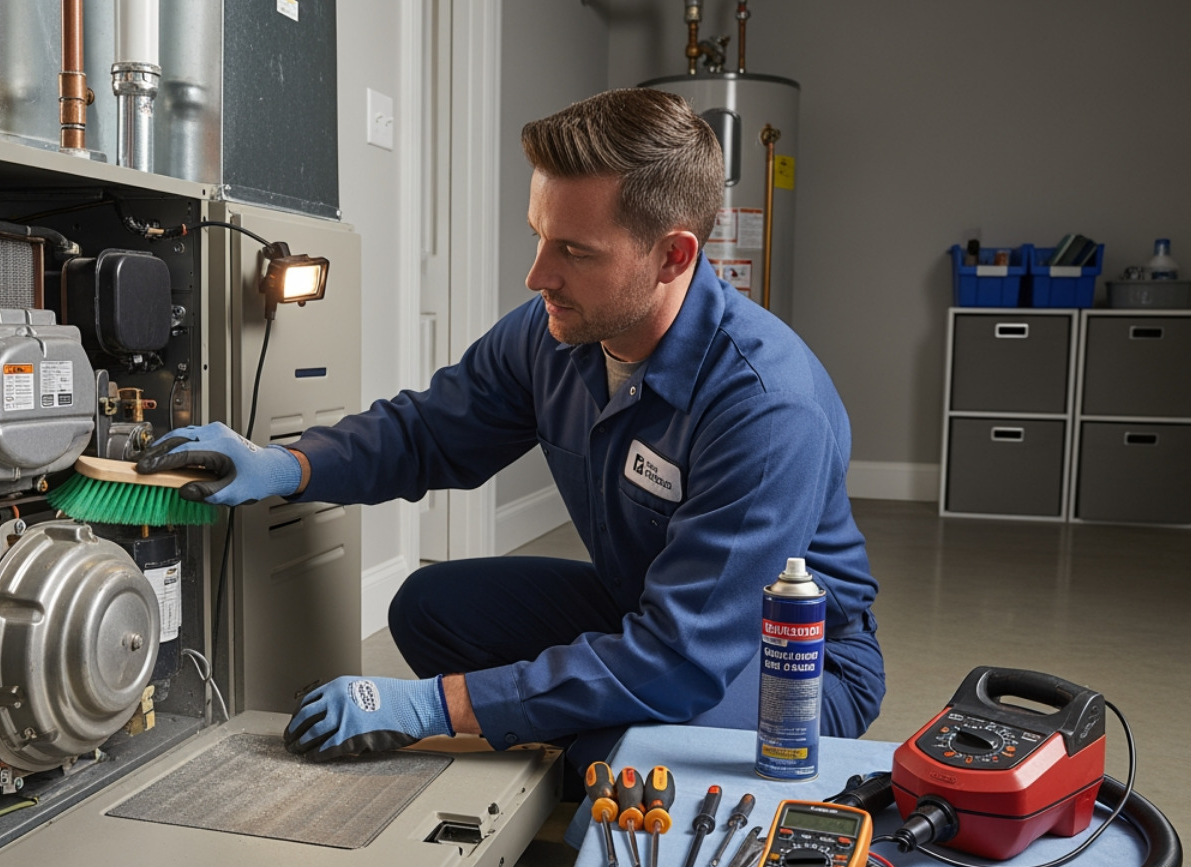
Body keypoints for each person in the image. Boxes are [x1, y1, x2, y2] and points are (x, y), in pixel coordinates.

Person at [137, 88, 883, 774]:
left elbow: (680, 657)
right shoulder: (553, 335)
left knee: (614, 757)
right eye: (539, 236)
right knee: (428, 608)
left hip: (790, 661)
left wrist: (436, 707)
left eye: (574, 251)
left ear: (673, 256)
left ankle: (583, 725)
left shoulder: (765, 407)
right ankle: (572, 711)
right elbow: (429, 432)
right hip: (644, 609)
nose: (536, 275)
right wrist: (286, 464)